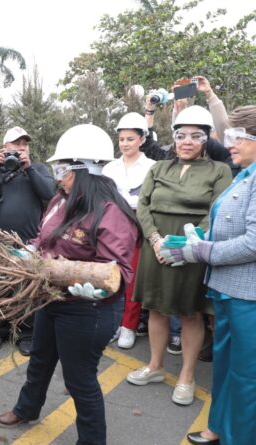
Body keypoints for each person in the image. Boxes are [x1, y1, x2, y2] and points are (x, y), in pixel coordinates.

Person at [157, 103, 256, 445]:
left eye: (236, 136)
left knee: (248, 379)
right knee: (226, 368)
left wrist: (200, 251)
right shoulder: (251, 171)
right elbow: (231, 226)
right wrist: (194, 241)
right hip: (232, 290)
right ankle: (219, 428)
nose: (229, 143)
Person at [0, 124, 138, 445]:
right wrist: (30, 250)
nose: (58, 178)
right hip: (51, 298)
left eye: (63, 170)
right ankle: (27, 408)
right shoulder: (60, 200)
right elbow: (43, 237)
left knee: (79, 381)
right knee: (40, 359)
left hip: (88, 309)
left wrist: (96, 287)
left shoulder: (110, 212)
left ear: (86, 170)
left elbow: (118, 270)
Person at [126, 105, 232, 406]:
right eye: (181, 135)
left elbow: (217, 211)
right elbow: (143, 205)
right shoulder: (158, 168)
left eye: (196, 136)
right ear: (173, 138)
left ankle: (187, 376)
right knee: (155, 308)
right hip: (155, 246)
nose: (187, 141)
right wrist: (156, 240)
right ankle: (155, 366)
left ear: (207, 139)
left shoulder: (219, 170)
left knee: (190, 312)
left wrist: (184, 246)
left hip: (192, 249)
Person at [0, 126, 56, 355]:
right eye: (16, 143)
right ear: (5, 147)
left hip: (28, 242)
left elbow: (49, 193)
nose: (21, 148)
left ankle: (26, 333)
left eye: (25, 144)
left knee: (27, 288)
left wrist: (29, 169)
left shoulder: (38, 169)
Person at [102, 112, 156, 349]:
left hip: (138, 227)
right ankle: (111, 323)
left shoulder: (153, 167)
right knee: (110, 274)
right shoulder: (109, 168)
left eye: (130, 139)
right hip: (111, 226)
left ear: (142, 139)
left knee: (132, 278)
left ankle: (128, 326)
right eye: (122, 139)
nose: (124, 144)